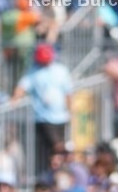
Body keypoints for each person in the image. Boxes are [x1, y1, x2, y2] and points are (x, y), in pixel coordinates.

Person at [11, 44, 73, 176]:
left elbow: (68, 93)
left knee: (59, 148)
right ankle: (48, 175)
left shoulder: (61, 70)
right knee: (50, 149)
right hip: (43, 118)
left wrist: (71, 111)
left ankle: (60, 173)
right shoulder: (33, 71)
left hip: (61, 117)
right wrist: (14, 100)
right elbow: (22, 87)